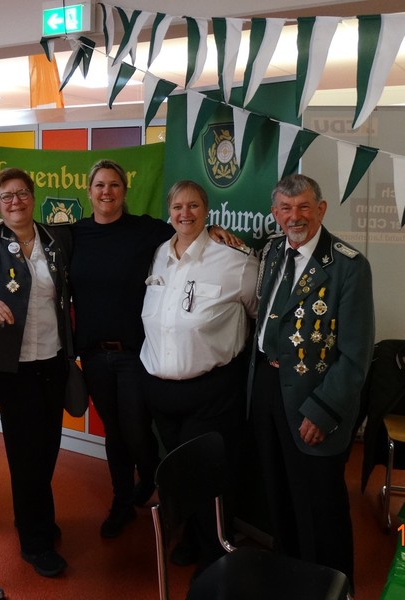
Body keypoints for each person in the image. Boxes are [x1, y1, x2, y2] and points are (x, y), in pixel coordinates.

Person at [69, 160, 240, 539]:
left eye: (114, 185)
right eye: (100, 185)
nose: (107, 192)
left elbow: (188, 228)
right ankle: (121, 502)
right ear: (89, 191)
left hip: (134, 354)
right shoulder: (74, 234)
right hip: (93, 355)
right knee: (114, 432)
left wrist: (213, 229)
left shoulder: (147, 231)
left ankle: (150, 481)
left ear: (124, 191)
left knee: (136, 430)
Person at [248, 174, 374, 593]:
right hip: (267, 387)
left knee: (322, 507)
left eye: (304, 206)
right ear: (275, 213)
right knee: (279, 496)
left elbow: (355, 355)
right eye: (286, 208)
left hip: (313, 396)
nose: (295, 216)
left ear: (321, 209)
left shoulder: (348, 265)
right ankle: (291, 578)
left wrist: (323, 411)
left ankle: (333, 588)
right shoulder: (272, 251)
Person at [0, 167, 72, 578]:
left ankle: (34, 517)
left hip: (53, 359)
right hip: (11, 365)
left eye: (22, 193)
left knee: (49, 446)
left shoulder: (57, 238)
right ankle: (35, 543)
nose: (15, 202)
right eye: (6, 196)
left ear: (33, 196)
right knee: (25, 452)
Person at [140, 180, 258, 568]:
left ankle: (214, 559)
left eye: (193, 206)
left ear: (207, 211)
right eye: (177, 206)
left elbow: (258, 311)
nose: (184, 213)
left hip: (211, 392)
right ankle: (190, 539)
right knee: (177, 477)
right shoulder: (160, 254)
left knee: (206, 478)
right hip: (162, 392)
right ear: (169, 211)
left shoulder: (235, 260)